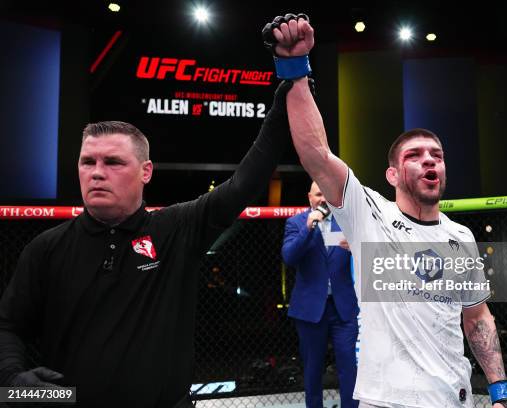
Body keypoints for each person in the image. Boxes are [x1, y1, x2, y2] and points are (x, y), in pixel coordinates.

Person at [262, 13, 507, 408]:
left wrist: (502, 391)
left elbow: (478, 319)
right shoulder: (371, 217)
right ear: (394, 174)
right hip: (388, 401)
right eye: (415, 155)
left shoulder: (460, 237)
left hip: (455, 398)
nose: (429, 161)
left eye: (437, 155)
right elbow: (316, 154)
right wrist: (296, 70)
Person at [0, 78, 293, 407]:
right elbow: (8, 326)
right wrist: (12, 380)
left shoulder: (175, 229)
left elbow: (244, 183)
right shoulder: (46, 248)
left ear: (146, 171)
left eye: (113, 162)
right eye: (87, 162)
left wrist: (284, 104)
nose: (97, 172)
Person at [282, 181, 359, 408]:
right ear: (310, 198)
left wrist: (357, 248)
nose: (322, 199)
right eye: (318, 194)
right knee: (313, 371)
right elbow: (289, 257)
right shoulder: (296, 223)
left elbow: (372, 256)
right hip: (310, 312)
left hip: (343, 310)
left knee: (349, 369)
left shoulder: (347, 223)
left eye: (326, 194)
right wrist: (309, 227)